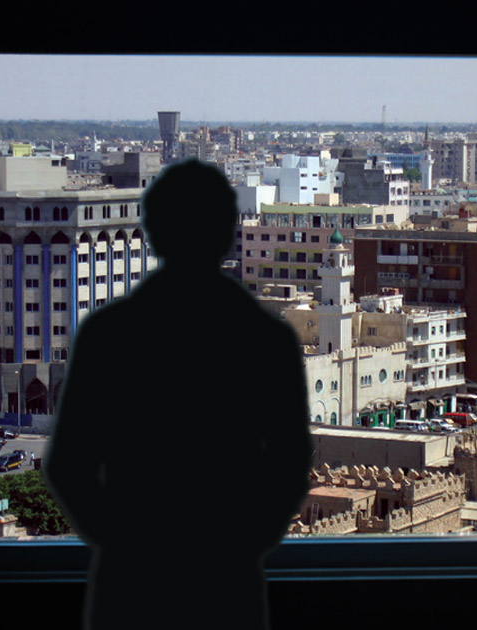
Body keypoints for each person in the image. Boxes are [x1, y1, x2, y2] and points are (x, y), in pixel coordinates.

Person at [45, 159, 312, 630]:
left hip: (131, 585)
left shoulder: (108, 336)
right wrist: (241, 543)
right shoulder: (266, 340)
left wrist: (124, 541)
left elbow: (69, 465)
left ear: (155, 232)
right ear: (227, 232)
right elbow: (289, 463)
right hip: (225, 583)